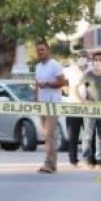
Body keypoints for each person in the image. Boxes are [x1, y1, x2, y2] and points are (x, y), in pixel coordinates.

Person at [33, 41, 66, 174]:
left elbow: (62, 82)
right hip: (42, 103)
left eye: (42, 50)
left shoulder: (55, 65)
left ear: (48, 50)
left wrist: (48, 84)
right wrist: (36, 98)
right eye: (38, 50)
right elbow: (36, 84)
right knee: (46, 135)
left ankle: (50, 163)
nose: (40, 52)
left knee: (50, 134)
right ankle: (50, 164)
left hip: (53, 103)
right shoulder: (38, 67)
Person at [81, 52, 101, 167]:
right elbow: (82, 90)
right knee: (88, 134)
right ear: (92, 61)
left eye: (100, 59)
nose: (97, 61)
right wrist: (84, 101)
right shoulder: (88, 75)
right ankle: (86, 158)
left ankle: (100, 158)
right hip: (90, 109)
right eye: (95, 59)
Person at [63, 51, 89, 166]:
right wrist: (68, 91)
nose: (83, 59)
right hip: (73, 105)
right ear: (76, 58)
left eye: (85, 57)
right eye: (80, 57)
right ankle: (73, 159)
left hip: (88, 107)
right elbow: (63, 85)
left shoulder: (91, 70)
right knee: (73, 135)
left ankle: (89, 158)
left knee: (89, 134)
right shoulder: (69, 70)